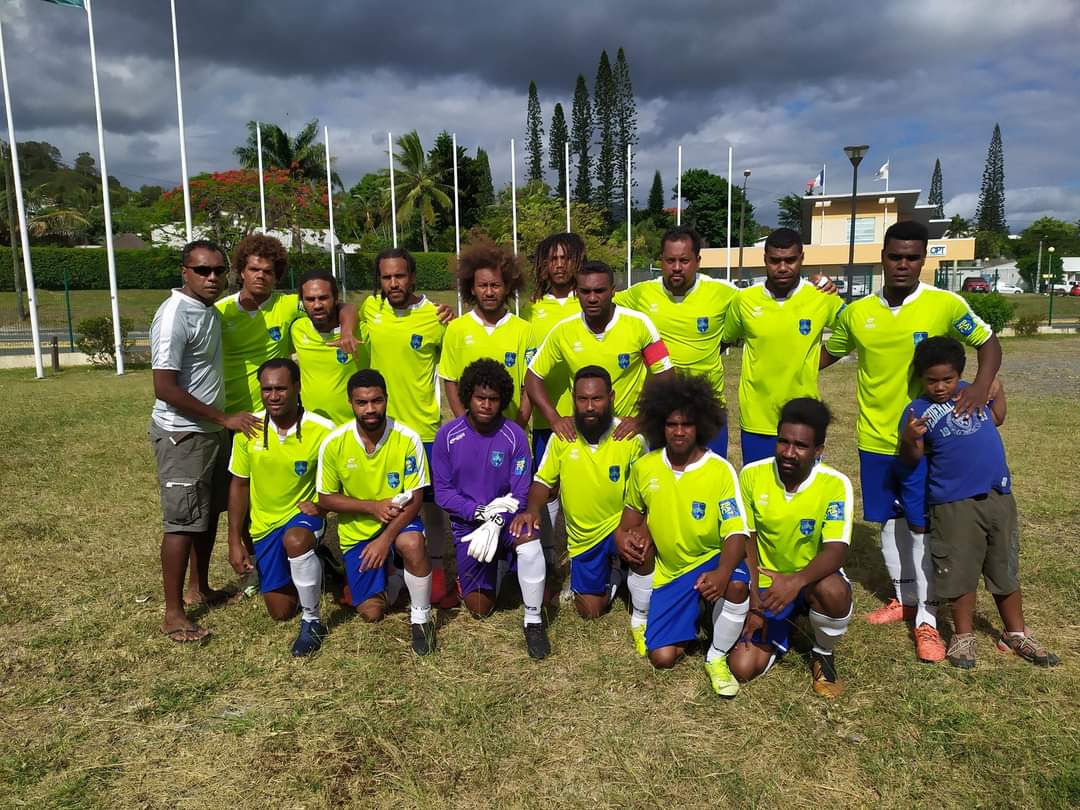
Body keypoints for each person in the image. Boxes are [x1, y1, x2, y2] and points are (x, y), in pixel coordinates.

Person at [821, 220, 1002, 663]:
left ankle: (926, 617)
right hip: (875, 441)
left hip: (925, 444)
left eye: (912, 257)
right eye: (895, 256)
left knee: (921, 526)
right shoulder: (857, 312)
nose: (903, 264)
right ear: (881, 258)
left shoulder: (943, 304)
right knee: (887, 524)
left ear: (924, 260)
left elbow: (989, 342)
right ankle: (901, 600)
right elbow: (823, 354)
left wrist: (980, 387)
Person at [899, 337, 1058, 669]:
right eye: (932, 380)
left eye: (948, 379)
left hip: (998, 495)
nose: (940, 387)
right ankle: (963, 635)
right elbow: (911, 461)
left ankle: (1015, 633)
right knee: (959, 570)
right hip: (953, 504)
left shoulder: (972, 391)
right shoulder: (918, 410)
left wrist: (997, 391)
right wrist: (910, 439)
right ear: (920, 378)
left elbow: (997, 417)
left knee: (1004, 567)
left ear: (960, 374)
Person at [149, 239, 260, 642]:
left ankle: (201, 587)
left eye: (218, 271)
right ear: (185, 272)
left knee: (206, 514)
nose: (212, 278)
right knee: (181, 522)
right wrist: (223, 418)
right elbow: (164, 386)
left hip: (209, 433)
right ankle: (174, 612)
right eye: (202, 271)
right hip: (183, 434)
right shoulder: (175, 315)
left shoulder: (209, 310)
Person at [617, 372, 750, 697]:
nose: (679, 431)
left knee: (734, 584)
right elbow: (628, 522)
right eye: (671, 424)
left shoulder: (720, 470)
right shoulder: (645, 467)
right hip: (669, 570)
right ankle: (659, 615)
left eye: (687, 424)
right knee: (662, 658)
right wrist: (623, 538)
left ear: (701, 425)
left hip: (710, 559)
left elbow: (736, 534)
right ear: (660, 424)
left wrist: (721, 572)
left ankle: (716, 656)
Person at [731, 398, 854, 699]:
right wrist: (756, 605)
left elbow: (836, 551)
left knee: (834, 592)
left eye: (800, 445)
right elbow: (749, 542)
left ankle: (823, 653)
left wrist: (795, 581)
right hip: (768, 582)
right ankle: (782, 624)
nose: (788, 452)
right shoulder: (752, 475)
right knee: (741, 668)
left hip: (811, 579)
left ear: (818, 450)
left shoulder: (836, 484)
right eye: (783, 442)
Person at [511, 366, 646, 632]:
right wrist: (532, 509)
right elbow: (542, 482)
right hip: (586, 537)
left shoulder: (631, 438)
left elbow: (650, 491)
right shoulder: (563, 437)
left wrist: (642, 530)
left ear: (612, 397)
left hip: (623, 528)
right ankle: (616, 573)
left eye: (597, 399)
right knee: (590, 611)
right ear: (574, 398)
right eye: (582, 399)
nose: (589, 407)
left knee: (647, 553)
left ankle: (637, 590)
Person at [432, 359, 550, 659]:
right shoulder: (447, 436)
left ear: (502, 400)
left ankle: (533, 620)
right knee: (480, 610)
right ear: (468, 396)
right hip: (470, 526)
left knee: (529, 536)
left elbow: (521, 490)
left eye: (494, 399)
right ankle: (496, 566)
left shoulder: (514, 436)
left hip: (507, 517)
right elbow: (444, 494)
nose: (486, 405)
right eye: (480, 397)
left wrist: (499, 518)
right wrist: (482, 514)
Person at [315, 369, 436, 655]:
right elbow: (326, 498)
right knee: (371, 612)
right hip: (357, 530)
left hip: (399, 522)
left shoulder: (408, 438)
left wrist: (384, 540)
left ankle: (421, 617)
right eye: (362, 402)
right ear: (350, 403)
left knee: (412, 542)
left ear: (386, 399)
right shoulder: (334, 443)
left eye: (376, 401)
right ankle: (393, 577)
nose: (370, 409)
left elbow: (416, 499)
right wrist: (371, 506)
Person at [360, 248, 454, 606]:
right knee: (388, 504)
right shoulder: (373, 310)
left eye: (400, 276)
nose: (393, 283)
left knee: (429, 507)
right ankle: (395, 574)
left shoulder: (436, 317)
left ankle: (437, 575)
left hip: (424, 430)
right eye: (386, 277)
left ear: (412, 277)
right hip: (380, 430)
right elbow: (349, 312)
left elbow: (453, 365)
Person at [226, 359, 336, 656]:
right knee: (280, 611)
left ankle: (312, 622)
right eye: (267, 389)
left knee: (296, 540)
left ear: (298, 388)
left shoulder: (324, 430)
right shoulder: (248, 430)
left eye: (281, 389)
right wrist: (234, 540)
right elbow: (239, 485)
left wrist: (321, 507)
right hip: (264, 525)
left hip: (302, 519)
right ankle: (319, 565)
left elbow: (342, 480)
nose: (273, 396)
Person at [722, 228, 845, 463]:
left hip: (804, 419)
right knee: (760, 494)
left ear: (802, 258)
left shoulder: (821, 297)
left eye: (790, 260)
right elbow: (725, 338)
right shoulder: (744, 300)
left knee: (802, 494)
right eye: (775, 260)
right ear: (765, 260)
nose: (782, 267)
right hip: (756, 419)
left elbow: (853, 327)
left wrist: (823, 358)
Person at [614, 226, 738, 456]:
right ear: (661, 260)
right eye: (670, 260)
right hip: (662, 409)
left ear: (698, 261)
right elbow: (596, 301)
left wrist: (822, 287)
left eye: (684, 260)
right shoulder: (640, 294)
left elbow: (766, 298)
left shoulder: (724, 293)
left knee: (707, 482)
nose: (677, 267)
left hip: (707, 408)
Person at [526, 260, 672, 442]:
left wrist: (642, 419)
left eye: (599, 291)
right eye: (585, 292)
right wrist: (554, 419)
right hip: (582, 438)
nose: (592, 298)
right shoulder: (563, 331)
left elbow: (665, 375)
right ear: (576, 293)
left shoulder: (640, 325)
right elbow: (533, 376)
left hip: (628, 437)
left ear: (612, 291)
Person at [215, 233, 359, 417]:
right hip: (233, 413)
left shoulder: (289, 305)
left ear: (276, 276)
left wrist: (347, 332)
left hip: (277, 413)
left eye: (268, 271)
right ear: (242, 272)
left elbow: (343, 306)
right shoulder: (221, 312)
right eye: (254, 269)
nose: (260, 276)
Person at [522, 233, 585, 568]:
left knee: (584, 491)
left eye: (566, 258)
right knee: (548, 487)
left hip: (588, 418)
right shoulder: (534, 308)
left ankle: (582, 557)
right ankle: (546, 556)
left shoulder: (591, 299)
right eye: (552, 259)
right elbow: (530, 368)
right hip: (548, 419)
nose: (559, 265)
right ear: (543, 265)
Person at [440, 241, 532, 426]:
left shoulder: (524, 330)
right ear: (472, 288)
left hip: (508, 431)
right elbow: (450, 381)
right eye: (483, 285)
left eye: (495, 285)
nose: (489, 292)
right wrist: (464, 427)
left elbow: (528, 388)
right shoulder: (456, 329)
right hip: (469, 434)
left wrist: (516, 428)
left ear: (507, 287)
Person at [291, 269, 366, 425]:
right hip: (312, 429)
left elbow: (349, 308)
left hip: (353, 428)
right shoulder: (298, 329)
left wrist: (347, 332)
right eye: (310, 299)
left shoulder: (360, 332)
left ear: (336, 298)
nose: (317, 305)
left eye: (323, 298)